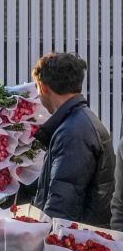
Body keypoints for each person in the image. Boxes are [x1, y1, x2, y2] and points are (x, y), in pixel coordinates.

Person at [31, 53, 115, 226]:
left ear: (43, 87)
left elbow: (62, 206)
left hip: (74, 244)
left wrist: (42, 238)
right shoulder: (81, 122)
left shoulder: (72, 132)